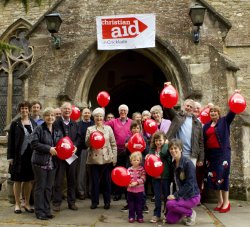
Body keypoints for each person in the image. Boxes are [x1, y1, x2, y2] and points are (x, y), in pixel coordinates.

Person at [203, 101, 238, 213]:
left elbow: (232, 112)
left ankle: (226, 202)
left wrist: (235, 97)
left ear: (219, 113)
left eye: (215, 111)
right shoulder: (207, 125)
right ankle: (220, 201)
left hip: (222, 154)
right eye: (211, 111)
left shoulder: (224, 121)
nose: (213, 113)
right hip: (211, 155)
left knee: (223, 176)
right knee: (214, 178)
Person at [31, 107, 63, 220]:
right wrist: (49, 149)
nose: (50, 117)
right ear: (44, 117)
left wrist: (71, 148)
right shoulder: (39, 129)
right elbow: (33, 143)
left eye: (52, 115)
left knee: (49, 188)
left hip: (52, 163)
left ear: (55, 117)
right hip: (40, 162)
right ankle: (39, 211)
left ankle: (46, 210)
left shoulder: (57, 130)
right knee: (41, 187)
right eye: (48, 115)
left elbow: (62, 144)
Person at [164, 83, 204, 168]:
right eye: (187, 106)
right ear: (183, 106)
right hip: (177, 152)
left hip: (192, 155)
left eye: (190, 107)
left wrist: (201, 158)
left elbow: (200, 142)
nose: (188, 108)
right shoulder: (177, 116)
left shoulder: (197, 123)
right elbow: (167, 107)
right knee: (178, 177)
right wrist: (166, 90)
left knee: (190, 177)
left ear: (193, 109)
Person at [7, 101, 37, 214]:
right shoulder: (15, 124)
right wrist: (10, 157)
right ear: (19, 110)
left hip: (31, 156)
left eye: (26, 108)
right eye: (22, 108)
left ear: (29, 110)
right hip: (18, 157)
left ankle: (27, 203)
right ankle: (17, 204)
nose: (24, 110)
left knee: (28, 180)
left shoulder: (34, 123)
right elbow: (10, 142)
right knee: (17, 180)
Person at [85, 107, 117, 209]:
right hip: (94, 159)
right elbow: (86, 144)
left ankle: (107, 202)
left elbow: (113, 144)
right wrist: (91, 138)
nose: (99, 118)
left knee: (106, 182)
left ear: (103, 118)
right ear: (94, 118)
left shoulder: (108, 129)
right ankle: (94, 202)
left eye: (101, 116)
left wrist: (114, 157)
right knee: (94, 182)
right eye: (97, 116)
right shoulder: (90, 129)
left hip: (106, 158)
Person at [52, 102, 80, 211]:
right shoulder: (55, 123)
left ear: (71, 111)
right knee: (58, 179)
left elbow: (78, 138)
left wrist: (76, 146)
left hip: (71, 155)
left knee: (72, 179)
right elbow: (53, 137)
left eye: (69, 109)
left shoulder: (75, 124)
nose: (67, 111)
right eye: (65, 109)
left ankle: (71, 202)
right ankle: (56, 203)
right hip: (59, 154)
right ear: (61, 110)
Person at [166, 139, 200, 225]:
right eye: (171, 148)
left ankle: (190, 213)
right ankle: (183, 210)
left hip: (192, 196)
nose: (173, 150)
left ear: (181, 149)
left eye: (175, 148)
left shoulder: (188, 163)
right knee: (170, 219)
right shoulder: (173, 164)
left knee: (170, 204)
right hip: (182, 196)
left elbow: (190, 184)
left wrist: (175, 195)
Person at [105, 104, 132, 201]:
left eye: (124, 110)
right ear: (119, 112)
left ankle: (127, 193)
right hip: (117, 151)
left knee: (128, 172)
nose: (123, 112)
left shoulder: (132, 122)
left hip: (128, 152)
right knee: (117, 172)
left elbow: (137, 132)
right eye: (121, 111)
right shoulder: (113, 121)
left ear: (127, 112)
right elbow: (103, 125)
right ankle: (118, 193)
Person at [148, 131, 172, 223]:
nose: (158, 142)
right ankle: (157, 214)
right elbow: (149, 157)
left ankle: (167, 214)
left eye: (160, 140)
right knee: (157, 197)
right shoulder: (152, 150)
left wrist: (166, 144)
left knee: (166, 197)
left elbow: (164, 154)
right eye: (156, 140)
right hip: (155, 178)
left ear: (165, 140)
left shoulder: (166, 149)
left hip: (165, 177)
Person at [77, 107, 94, 199]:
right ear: (82, 114)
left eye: (88, 113)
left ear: (90, 114)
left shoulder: (94, 124)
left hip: (93, 150)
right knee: (81, 172)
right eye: (85, 113)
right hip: (82, 150)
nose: (87, 114)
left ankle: (91, 191)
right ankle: (81, 191)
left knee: (91, 172)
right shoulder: (78, 124)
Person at [127, 152, 146, 223]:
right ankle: (131, 216)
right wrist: (128, 183)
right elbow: (126, 178)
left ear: (140, 161)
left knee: (139, 204)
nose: (136, 161)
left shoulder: (142, 169)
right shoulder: (128, 169)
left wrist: (137, 182)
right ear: (131, 161)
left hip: (139, 190)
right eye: (134, 160)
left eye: (137, 160)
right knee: (131, 204)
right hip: (130, 190)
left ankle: (140, 216)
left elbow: (143, 178)